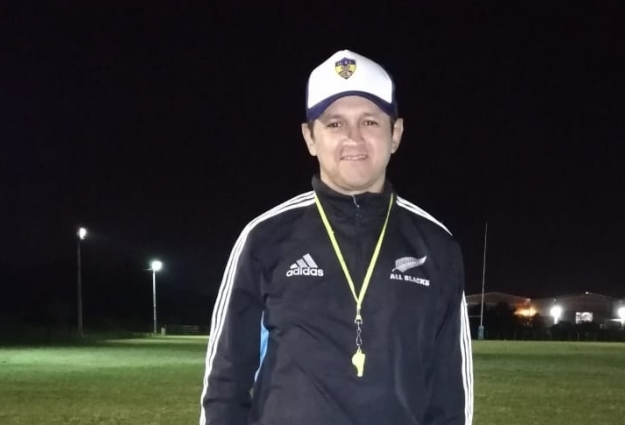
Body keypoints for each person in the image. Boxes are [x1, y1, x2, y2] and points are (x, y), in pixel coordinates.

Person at [199, 49, 474, 425]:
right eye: (334, 124)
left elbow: (450, 395)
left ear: (395, 134)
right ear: (309, 137)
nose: (353, 138)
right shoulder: (264, 238)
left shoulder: (436, 246)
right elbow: (225, 385)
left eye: (370, 122)